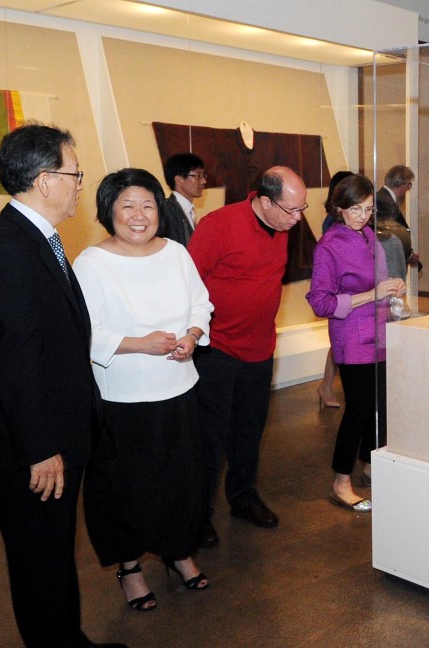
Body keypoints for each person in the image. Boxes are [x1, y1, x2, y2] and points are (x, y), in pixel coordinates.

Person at [0, 123, 126, 647]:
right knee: (40, 563)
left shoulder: (37, 240)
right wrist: (40, 448)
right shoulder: (8, 251)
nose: (81, 183)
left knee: (54, 558)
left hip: (55, 432)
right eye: (74, 173)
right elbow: (15, 363)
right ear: (43, 180)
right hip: (31, 447)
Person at [73, 168, 214, 610]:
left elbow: (201, 301)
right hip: (122, 399)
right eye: (127, 205)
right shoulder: (91, 263)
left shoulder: (175, 252)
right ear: (108, 212)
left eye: (148, 205)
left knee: (182, 478)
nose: (139, 215)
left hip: (178, 388)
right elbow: (83, 331)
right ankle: (130, 567)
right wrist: (141, 345)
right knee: (127, 488)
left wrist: (192, 335)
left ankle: (178, 552)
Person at [188, 167, 308, 545]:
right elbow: (188, 284)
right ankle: (198, 514)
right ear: (265, 200)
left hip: (260, 349)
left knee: (249, 431)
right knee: (210, 437)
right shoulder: (219, 225)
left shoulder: (283, 227)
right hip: (217, 349)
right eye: (291, 210)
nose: (299, 218)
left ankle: (242, 497)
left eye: (302, 208)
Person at [307, 175, 406, 512]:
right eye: (356, 210)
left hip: (378, 332)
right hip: (352, 337)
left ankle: (368, 463)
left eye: (369, 209)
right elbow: (320, 302)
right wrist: (371, 295)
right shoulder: (329, 246)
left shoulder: (366, 236)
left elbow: (376, 282)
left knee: (379, 404)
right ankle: (340, 481)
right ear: (339, 209)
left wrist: (391, 287)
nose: (364, 216)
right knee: (359, 410)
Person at [316, 170, 356, 409]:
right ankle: (326, 386)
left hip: (344, 291)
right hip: (341, 291)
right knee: (340, 344)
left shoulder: (336, 219)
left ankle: (326, 386)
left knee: (338, 344)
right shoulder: (333, 222)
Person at [376, 164, 419, 268]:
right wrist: (409, 255)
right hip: (389, 262)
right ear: (402, 184)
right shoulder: (385, 202)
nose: (408, 189)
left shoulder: (381, 197)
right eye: (409, 185)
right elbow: (394, 234)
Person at [161, 153, 207, 246]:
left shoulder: (188, 209)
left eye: (203, 176)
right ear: (179, 180)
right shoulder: (166, 210)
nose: (204, 181)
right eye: (198, 176)